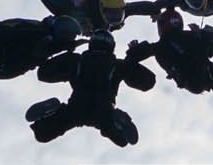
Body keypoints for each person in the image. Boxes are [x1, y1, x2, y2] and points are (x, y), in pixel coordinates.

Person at [24, 33, 156, 146]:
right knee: (122, 140)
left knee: (42, 134)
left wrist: (64, 51)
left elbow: (44, 74)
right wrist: (132, 58)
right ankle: (117, 121)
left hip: (77, 104)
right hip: (104, 107)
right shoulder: (118, 64)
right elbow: (148, 82)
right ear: (112, 47)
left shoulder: (76, 60)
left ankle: (52, 109)